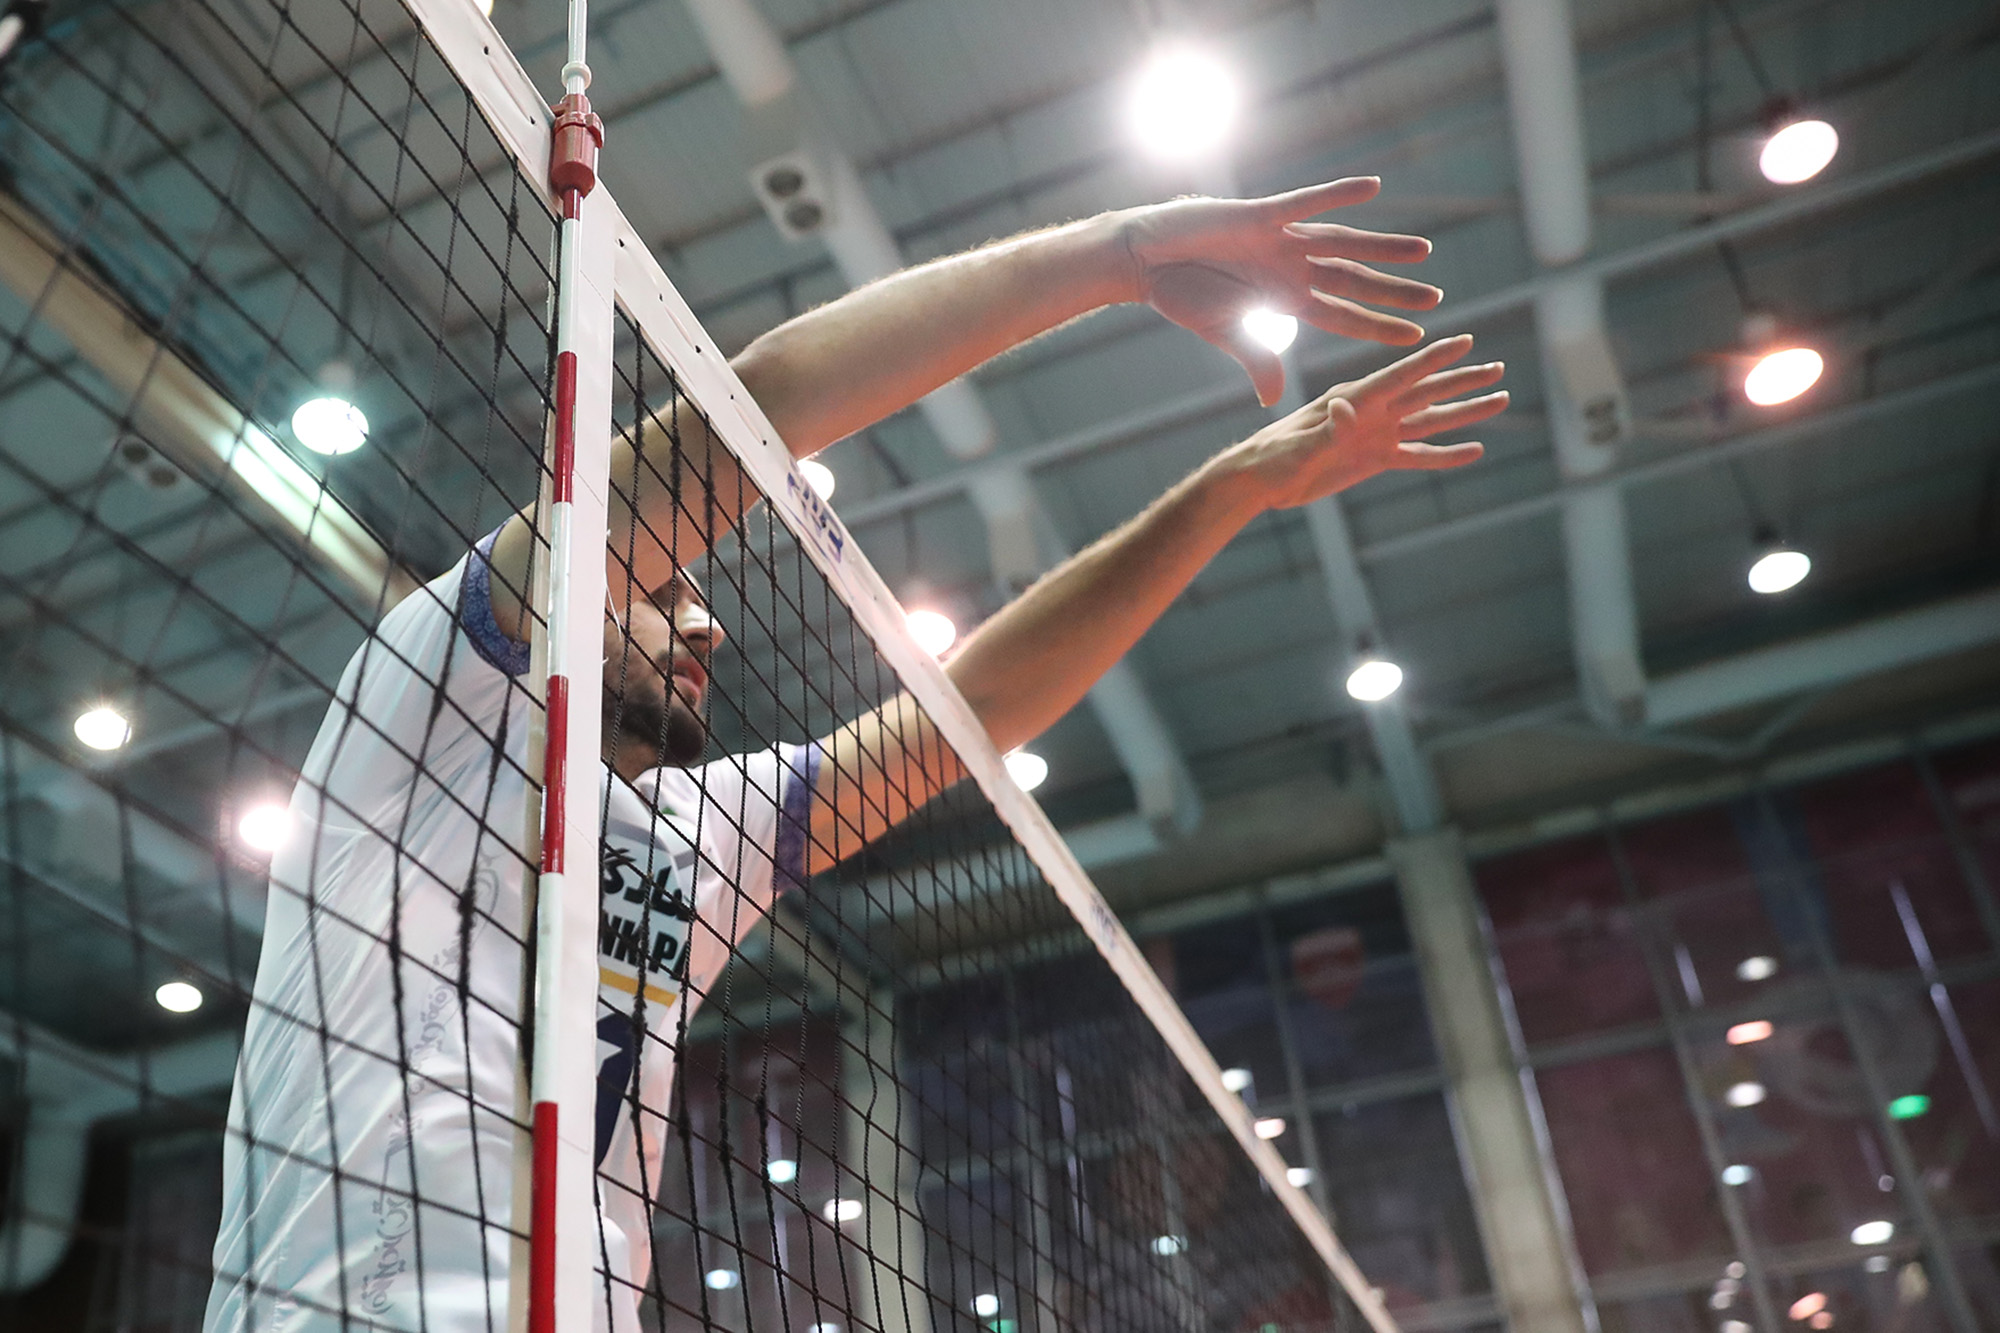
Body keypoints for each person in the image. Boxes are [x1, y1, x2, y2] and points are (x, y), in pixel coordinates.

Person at [203, 177, 1506, 1333]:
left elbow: (969, 712)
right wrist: (1118, 253)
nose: (705, 621)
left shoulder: (690, 836)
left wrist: (1231, 491)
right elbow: (761, 410)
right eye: (664, 590)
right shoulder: (428, 701)